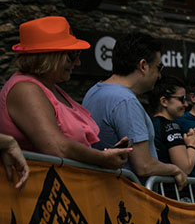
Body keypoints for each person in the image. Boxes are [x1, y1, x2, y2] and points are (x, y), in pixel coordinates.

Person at [0, 16, 130, 170]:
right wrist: (102, 158)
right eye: (72, 56)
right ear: (49, 57)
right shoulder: (25, 90)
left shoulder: (49, 87)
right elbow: (56, 148)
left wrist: (105, 155)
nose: (77, 62)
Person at [83, 32, 186, 188]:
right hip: (127, 198)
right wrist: (175, 169)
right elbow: (143, 165)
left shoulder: (94, 91)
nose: (159, 76)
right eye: (159, 68)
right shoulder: (126, 101)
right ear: (143, 65)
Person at [150, 76, 195, 175]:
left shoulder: (150, 123)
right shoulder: (171, 127)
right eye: (182, 99)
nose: (186, 104)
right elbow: (184, 168)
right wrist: (192, 144)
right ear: (164, 101)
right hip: (169, 189)